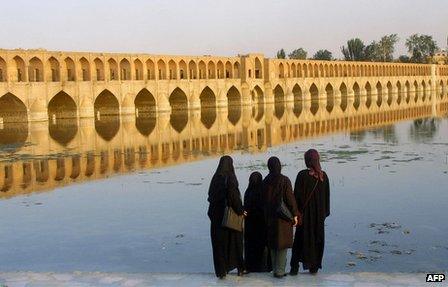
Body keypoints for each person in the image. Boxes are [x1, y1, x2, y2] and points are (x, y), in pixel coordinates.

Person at [290, 149, 330, 275]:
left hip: (305, 216)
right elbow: (326, 198)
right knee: (317, 240)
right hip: (318, 217)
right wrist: (324, 214)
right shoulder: (323, 176)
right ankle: (314, 267)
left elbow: (296, 196)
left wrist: (295, 213)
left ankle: (294, 268)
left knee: (300, 241)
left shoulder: (302, 175)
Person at [207, 156, 246, 279]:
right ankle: (240, 268)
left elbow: (210, 197)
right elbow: (233, 196)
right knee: (235, 242)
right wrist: (241, 211)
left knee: (219, 245)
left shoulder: (215, 178)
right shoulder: (230, 178)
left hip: (216, 217)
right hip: (228, 217)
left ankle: (221, 271)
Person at [263, 157, 299, 278]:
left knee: (273, 244)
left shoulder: (265, 181)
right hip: (282, 218)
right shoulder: (284, 180)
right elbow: (290, 199)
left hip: (270, 217)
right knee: (282, 244)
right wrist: (295, 214)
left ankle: (275, 269)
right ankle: (280, 271)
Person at [244, 172, 271, 273]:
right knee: (262, 246)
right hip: (262, 224)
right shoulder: (263, 192)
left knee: (251, 247)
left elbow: (246, 207)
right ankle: (264, 266)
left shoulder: (248, 191)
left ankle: (250, 266)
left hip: (250, 225)